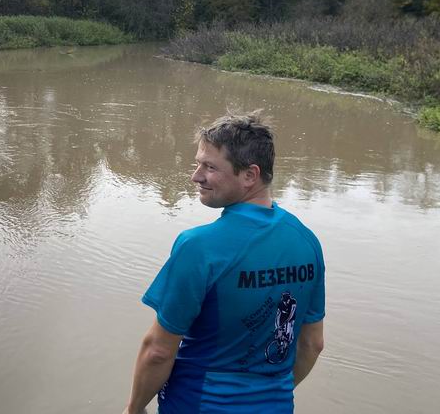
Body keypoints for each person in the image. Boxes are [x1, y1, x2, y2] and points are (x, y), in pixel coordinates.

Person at [122, 112, 325, 414]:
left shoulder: (199, 247)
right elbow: (312, 345)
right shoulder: (307, 242)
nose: (196, 175)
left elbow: (158, 351)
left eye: (210, 167)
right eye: (198, 163)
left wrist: (133, 410)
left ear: (249, 176)